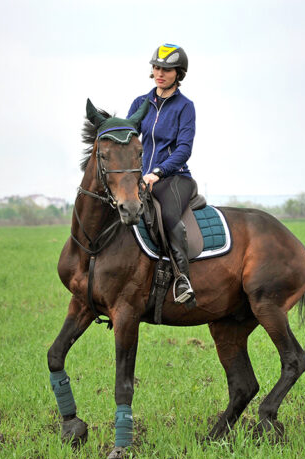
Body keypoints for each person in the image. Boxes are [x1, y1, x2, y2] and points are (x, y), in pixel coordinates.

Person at [128, 43, 197, 305]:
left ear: (178, 73)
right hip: (143, 179)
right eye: (157, 67)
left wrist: (158, 171)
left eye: (167, 69)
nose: (160, 73)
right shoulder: (140, 103)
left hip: (176, 178)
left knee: (168, 217)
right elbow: (130, 140)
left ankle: (182, 279)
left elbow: (184, 149)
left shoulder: (185, 107)